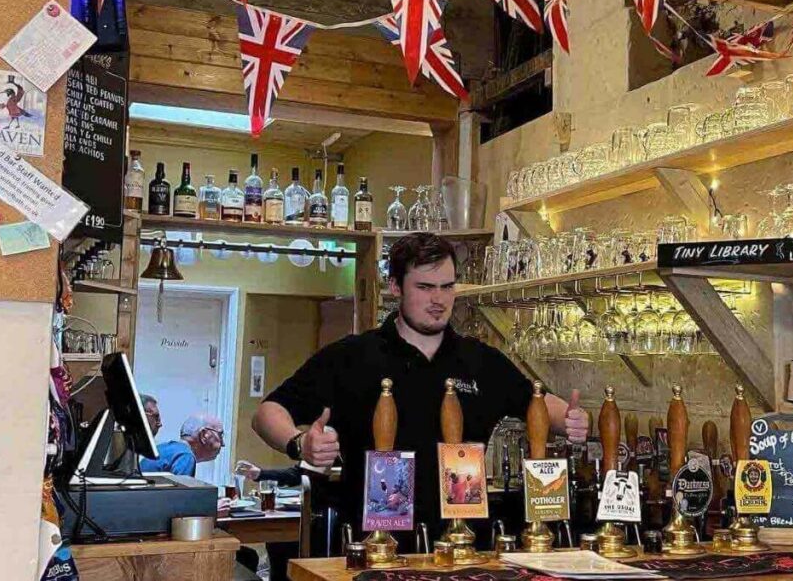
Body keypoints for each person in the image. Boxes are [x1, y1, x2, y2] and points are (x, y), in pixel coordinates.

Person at [252, 232, 590, 542]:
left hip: (466, 543)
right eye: (425, 287)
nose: (439, 300)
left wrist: (569, 420)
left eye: (447, 287)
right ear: (395, 286)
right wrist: (299, 444)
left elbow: (540, 403)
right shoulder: (352, 356)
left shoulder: (480, 360)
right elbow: (268, 412)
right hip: (375, 544)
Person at [141, 413, 224, 476]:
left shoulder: (162, 448)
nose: (223, 444)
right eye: (220, 435)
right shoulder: (185, 456)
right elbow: (181, 497)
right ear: (204, 435)